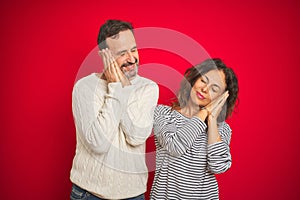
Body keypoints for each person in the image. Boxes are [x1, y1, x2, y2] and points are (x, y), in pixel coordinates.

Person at [70, 19, 159, 200]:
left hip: (132, 194)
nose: (132, 58)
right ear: (105, 56)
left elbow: (136, 136)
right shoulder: (84, 87)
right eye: (122, 53)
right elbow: (98, 143)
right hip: (88, 193)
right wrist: (116, 87)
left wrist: (120, 86)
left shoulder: (148, 88)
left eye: (133, 50)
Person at [150, 58, 239, 199]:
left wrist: (212, 119)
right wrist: (204, 112)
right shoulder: (163, 113)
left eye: (214, 89)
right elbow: (175, 147)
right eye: (203, 80)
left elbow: (218, 166)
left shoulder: (222, 129)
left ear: (220, 98)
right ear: (195, 79)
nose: (204, 89)